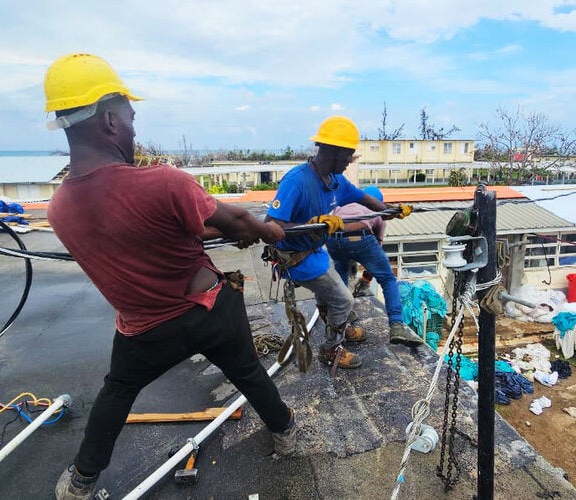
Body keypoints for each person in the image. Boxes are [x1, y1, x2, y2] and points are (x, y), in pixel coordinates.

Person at [43, 53, 296, 500]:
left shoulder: (58, 209)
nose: (134, 129)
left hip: (144, 331)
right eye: (130, 117)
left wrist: (223, 227)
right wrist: (266, 230)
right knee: (248, 372)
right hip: (209, 311)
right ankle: (287, 431)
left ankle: (80, 483)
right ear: (108, 119)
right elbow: (237, 223)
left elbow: (152, 230)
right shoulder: (161, 181)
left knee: (117, 392)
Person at [264, 116, 412, 370]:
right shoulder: (297, 181)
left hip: (315, 253)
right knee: (344, 300)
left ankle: (337, 325)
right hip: (296, 258)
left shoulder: (336, 181)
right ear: (333, 152)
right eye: (348, 156)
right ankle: (331, 349)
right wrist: (313, 224)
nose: (349, 162)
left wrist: (391, 210)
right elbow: (271, 226)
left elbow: (364, 198)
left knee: (330, 294)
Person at [326, 186, 423, 346]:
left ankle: (343, 320)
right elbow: (374, 251)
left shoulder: (342, 205)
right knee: (388, 279)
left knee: (341, 272)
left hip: (334, 239)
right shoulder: (378, 211)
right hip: (361, 235)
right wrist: (366, 279)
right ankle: (397, 325)